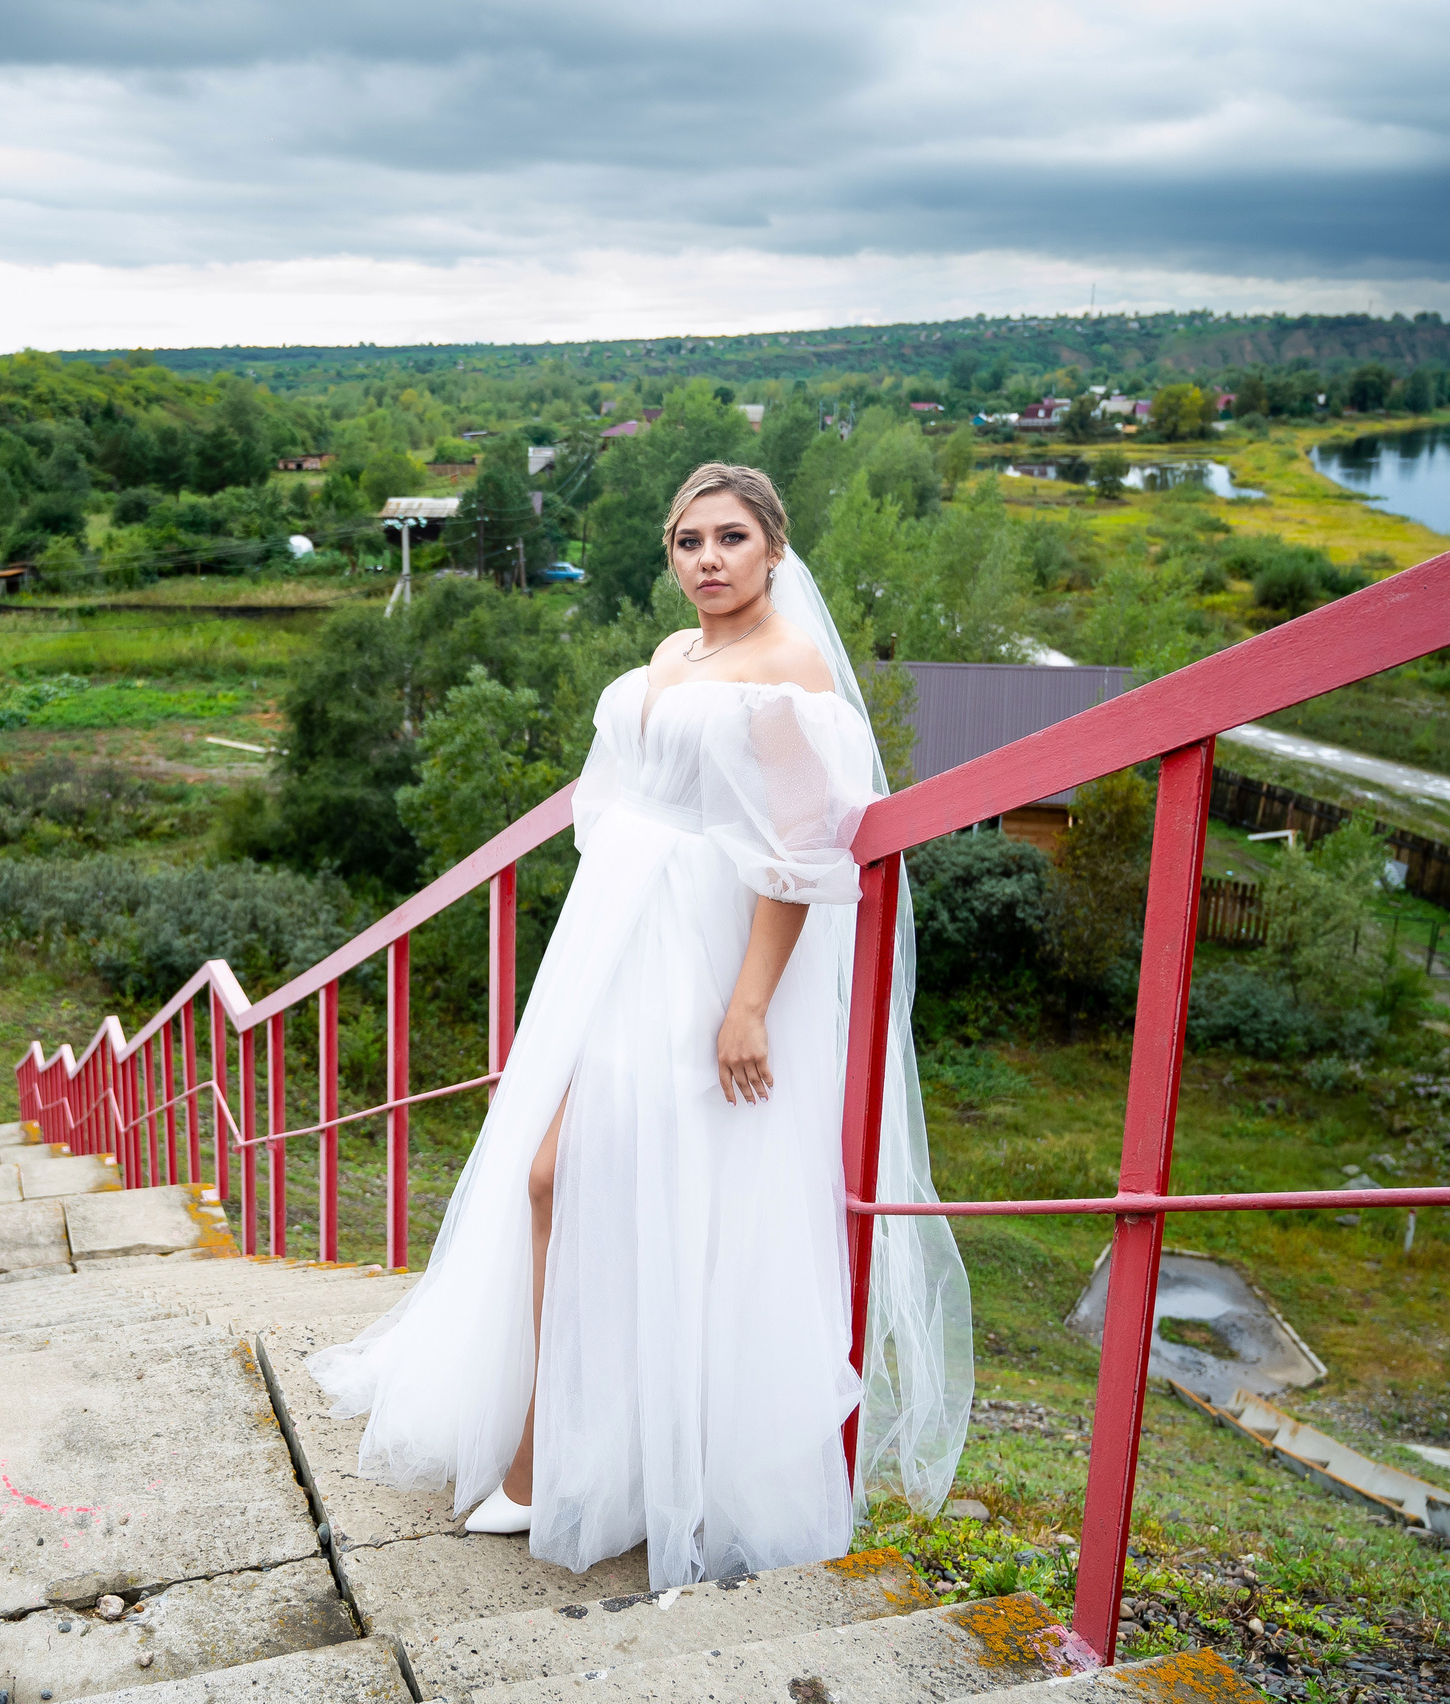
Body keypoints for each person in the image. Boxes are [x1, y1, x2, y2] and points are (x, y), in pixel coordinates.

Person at [307, 462, 971, 1589]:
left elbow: (800, 855)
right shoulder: (674, 654)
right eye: (687, 541)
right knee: (554, 1180)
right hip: (621, 945)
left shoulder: (792, 670)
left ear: (773, 548)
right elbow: (616, 798)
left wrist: (748, 1004)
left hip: (708, 962)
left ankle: (578, 1465)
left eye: (730, 538)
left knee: (642, 1192)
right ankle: (561, 1447)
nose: (707, 559)